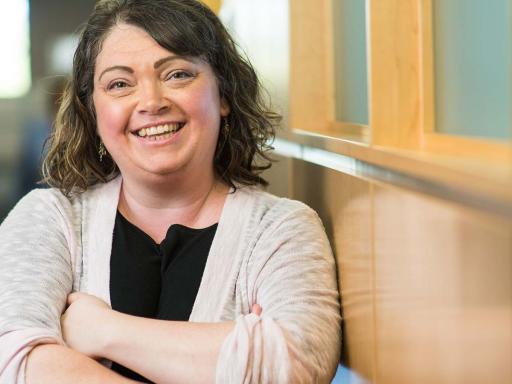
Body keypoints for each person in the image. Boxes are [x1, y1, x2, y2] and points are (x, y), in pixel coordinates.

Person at [0, 0, 341, 383]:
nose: (151, 102)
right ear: (93, 111)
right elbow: (13, 361)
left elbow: (292, 365)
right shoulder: (50, 220)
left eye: (177, 74)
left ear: (223, 93)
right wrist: (235, 355)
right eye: (119, 84)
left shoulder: (281, 230)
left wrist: (103, 330)